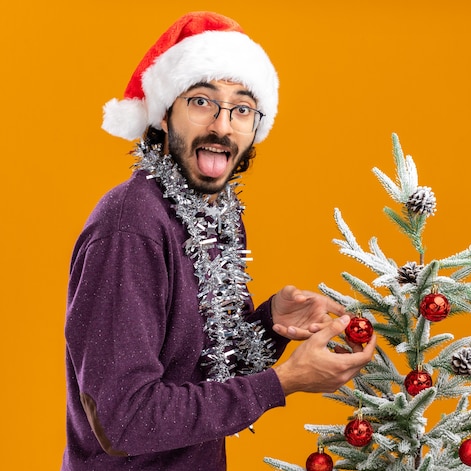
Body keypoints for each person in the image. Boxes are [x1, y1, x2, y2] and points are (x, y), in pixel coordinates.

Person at [62, 11, 376, 471]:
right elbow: (122, 420)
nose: (222, 126)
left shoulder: (215, 213)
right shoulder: (131, 229)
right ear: (165, 116)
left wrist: (269, 323)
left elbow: (206, 375)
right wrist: (283, 382)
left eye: (241, 108)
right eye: (202, 102)